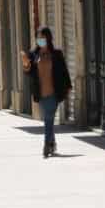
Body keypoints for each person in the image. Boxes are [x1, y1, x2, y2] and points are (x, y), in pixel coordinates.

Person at [21, 26, 72, 158]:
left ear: (48, 38)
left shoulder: (56, 54)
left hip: (54, 92)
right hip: (40, 92)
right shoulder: (33, 55)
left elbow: (64, 71)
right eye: (38, 38)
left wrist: (68, 87)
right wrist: (26, 64)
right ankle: (52, 143)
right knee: (48, 119)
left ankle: (46, 145)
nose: (40, 40)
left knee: (48, 118)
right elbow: (29, 73)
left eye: (43, 37)